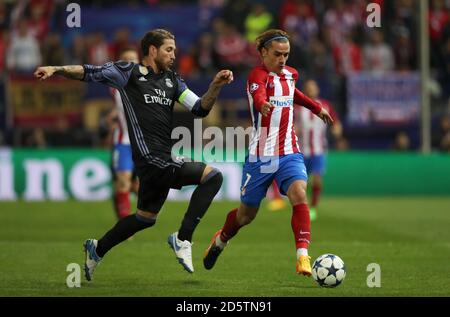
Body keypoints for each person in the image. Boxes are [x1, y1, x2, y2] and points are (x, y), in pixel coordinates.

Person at [34, 29, 233, 279]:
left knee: (145, 218)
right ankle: (183, 239)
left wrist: (214, 86)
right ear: (152, 50)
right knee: (213, 177)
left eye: (174, 50)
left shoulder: (173, 81)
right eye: (168, 50)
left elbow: (199, 108)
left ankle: (97, 248)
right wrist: (56, 68)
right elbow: (89, 72)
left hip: (161, 160)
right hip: (151, 158)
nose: (174, 55)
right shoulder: (128, 72)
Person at [203, 29, 333, 277]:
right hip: (260, 155)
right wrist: (262, 104)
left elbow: (294, 94)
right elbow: (259, 92)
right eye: (277, 54)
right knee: (246, 215)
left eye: (286, 54)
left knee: (298, 194)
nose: (282, 59)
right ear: (263, 53)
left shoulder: (291, 74)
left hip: (289, 151)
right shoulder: (257, 75)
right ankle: (221, 240)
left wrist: (317, 108)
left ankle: (303, 257)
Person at [295, 79, 342, 220]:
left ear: (317, 89)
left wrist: (337, 130)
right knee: (301, 183)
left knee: (317, 179)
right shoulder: (298, 108)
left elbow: (336, 122)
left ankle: (313, 208)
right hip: (302, 151)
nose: (311, 90)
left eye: (313, 87)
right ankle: (302, 207)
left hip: (319, 150)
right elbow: (294, 126)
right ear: (304, 90)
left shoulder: (326, 105)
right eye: (308, 87)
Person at [109, 48, 140, 220]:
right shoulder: (116, 85)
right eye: (126, 60)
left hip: (143, 144)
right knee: (123, 182)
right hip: (124, 143)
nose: (130, 63)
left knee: (138, 187)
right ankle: (124, 224)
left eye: (133, 60)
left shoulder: (150, 84)